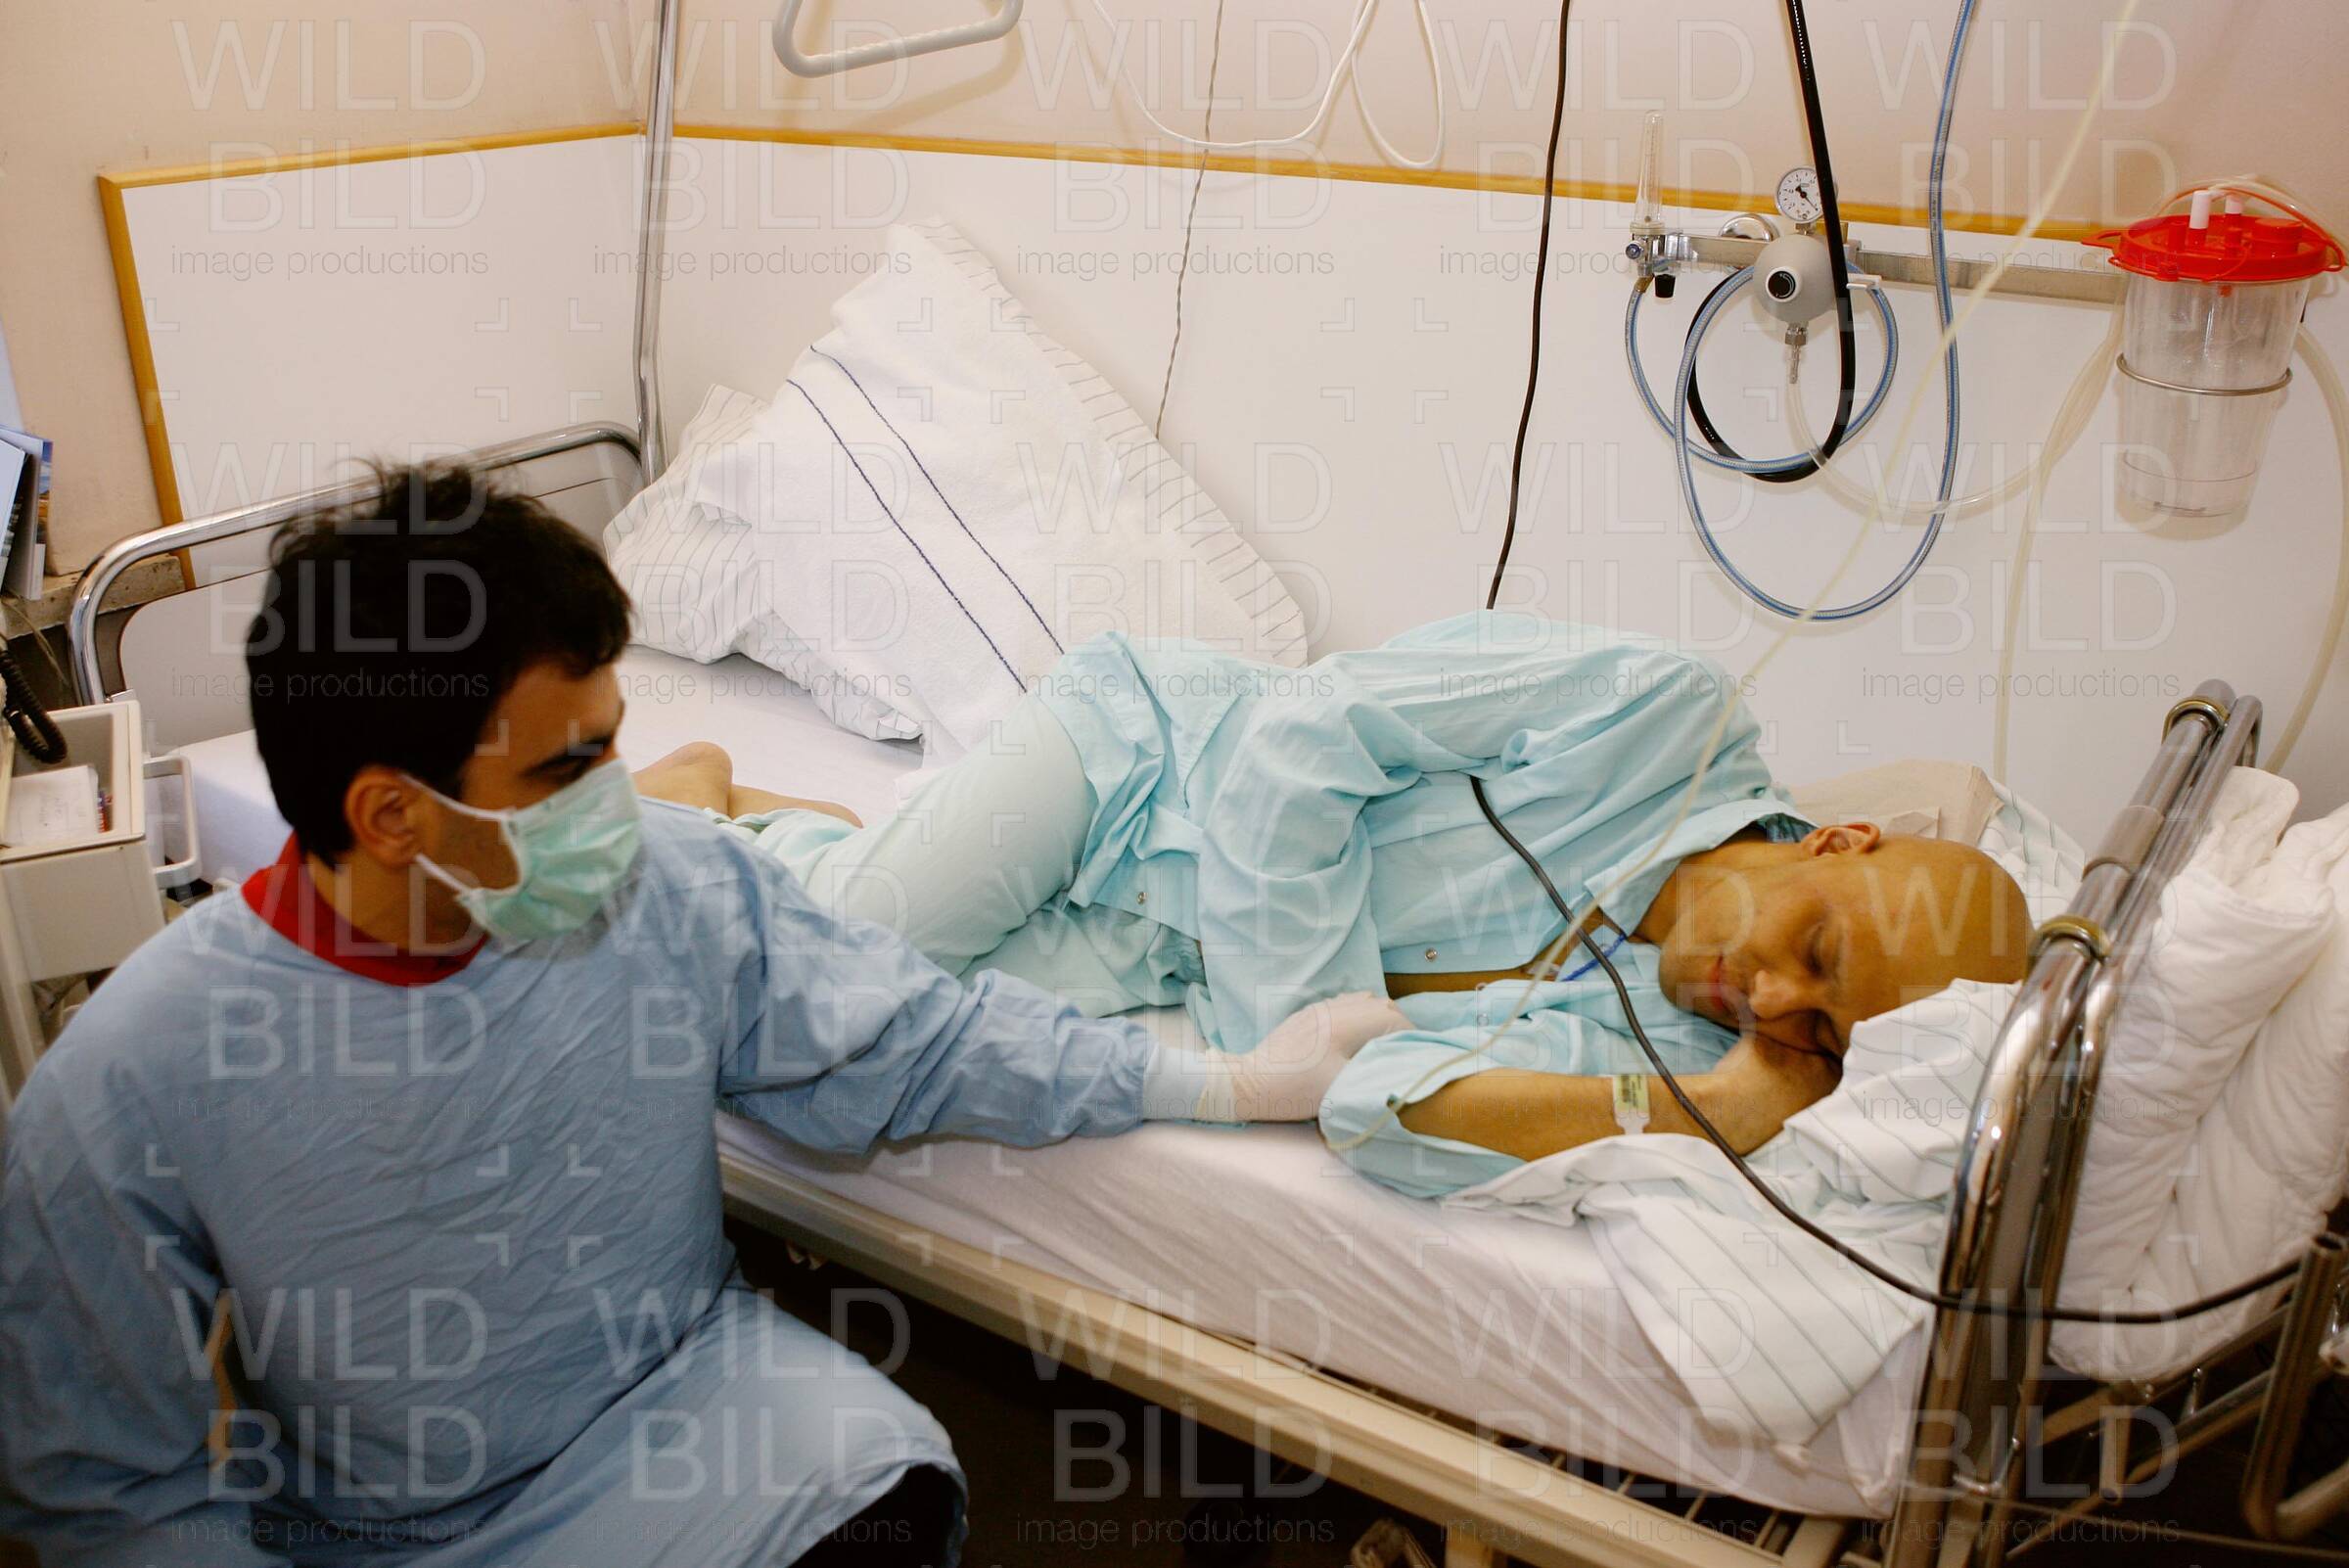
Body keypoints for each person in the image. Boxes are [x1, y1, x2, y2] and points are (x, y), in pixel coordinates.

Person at [0, 466, 1355, 1568]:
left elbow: (919, 1037)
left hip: (681, 1398)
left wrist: (1226, 1084)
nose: (619, 796)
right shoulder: (140, 1076)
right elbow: (108, 1491)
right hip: (393, 1529)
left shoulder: (677, 884)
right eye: (568, 767)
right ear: (392, 813)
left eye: (616, 738)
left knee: (880, 1491)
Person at [657, 609, 2033, 1200]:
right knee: (851, 954)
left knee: (862, 1021)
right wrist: (1290, 1041)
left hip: (1160, 951)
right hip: (1142, 765)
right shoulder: (1660, 716)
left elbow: (1376, 1109)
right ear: (1836, 840)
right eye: (1817, 950)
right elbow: (1298, 736)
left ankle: (791, 830)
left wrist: (1706, 1106)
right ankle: (686, 793)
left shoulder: (1685, 1048)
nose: (1775, 1001)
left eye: (1823, 1031)